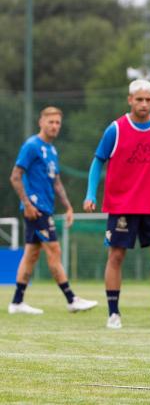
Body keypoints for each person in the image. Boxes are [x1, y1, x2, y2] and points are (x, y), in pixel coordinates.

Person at [83, 79, 150, 330]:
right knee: (116, 255)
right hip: (122, 205)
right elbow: (98, 162)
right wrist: (90, 194)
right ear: (130, 100)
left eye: (148, 100)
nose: (143, 104)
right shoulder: (115, 129)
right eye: (138, 99)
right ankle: (113, 313)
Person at [8, 106, 98, 315]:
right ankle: (71, 298)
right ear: (41, 122)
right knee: (54, 250)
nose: (55, 126)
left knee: (31, 254)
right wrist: (28, 204)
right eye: (51, 122)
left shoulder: (52, 150)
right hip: (36, 209)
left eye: (58, 123)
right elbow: (15, 176)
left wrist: (67, 206)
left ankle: (17, 302)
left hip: (46, 208)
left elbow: (56, 182)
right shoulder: (31, 146)